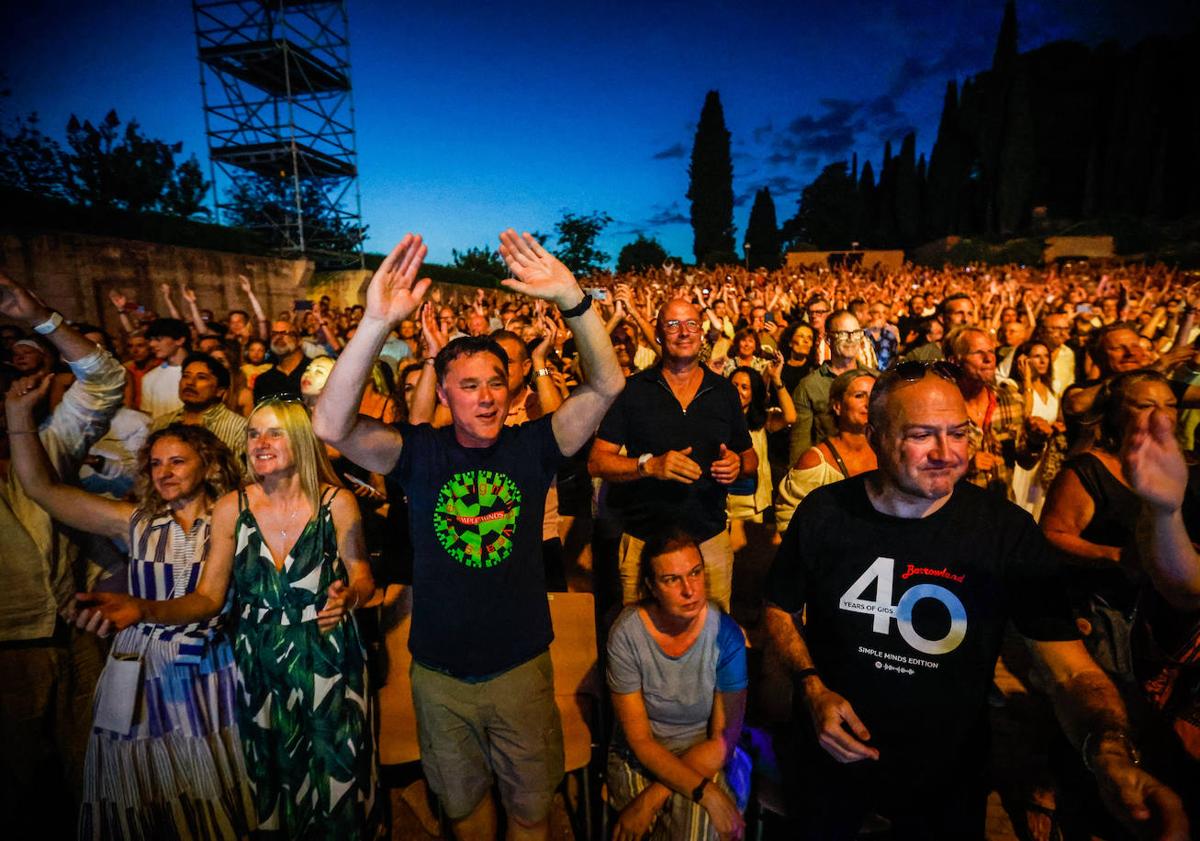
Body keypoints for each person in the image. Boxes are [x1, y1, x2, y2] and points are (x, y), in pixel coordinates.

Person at [763, 361, 1189, 839]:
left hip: (944, 786)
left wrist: (1109, 751)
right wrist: (810, 685)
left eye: (959, 433)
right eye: (922, 435)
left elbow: (1070, 669)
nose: (946, 454)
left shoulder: (1006, 533)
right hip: (828, 774)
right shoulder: (825, 512)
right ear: (876, 433)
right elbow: (779, 608)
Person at [312, 230, 624, 841]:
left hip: (521, 667)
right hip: (439, 676)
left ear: (512, 391)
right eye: (469, 385)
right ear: (445, 392)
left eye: (496, 383)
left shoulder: (534, 446)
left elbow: (607, 385)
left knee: (533, 815)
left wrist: (573, 299)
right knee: (464, 814)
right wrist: (375, 322)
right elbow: (329, 422)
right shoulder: (418, 453)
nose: (485, 396)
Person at [79, 398, 378, 839]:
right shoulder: (233, 508)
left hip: (327, 654)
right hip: (259, 657)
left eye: (273, 433)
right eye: (254, 433)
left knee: (335, 772)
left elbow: (364, 577)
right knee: (273, 774)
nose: (260, 443)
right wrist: (144, 608)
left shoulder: (337, 502)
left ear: (300, 438)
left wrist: (348, 596)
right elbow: (207, 597)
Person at [7, 394, 253, 840]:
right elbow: (41, 489)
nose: (165, 472)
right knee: (142, 781)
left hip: (208, 667)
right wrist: (18, 419)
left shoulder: (231, 522)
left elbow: (212, 599)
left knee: (208, 780)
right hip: (141, 668)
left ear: (210, 466)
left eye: (177, 461)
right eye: (157, 464)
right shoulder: (136, 523)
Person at [0, 273, 127, 839]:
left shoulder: (44, 445)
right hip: (10, 650)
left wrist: (41, 319)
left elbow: (103, 380)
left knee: (91, 770)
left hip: (75, 627)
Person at [589, 298, 755, 613]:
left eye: (692, 324)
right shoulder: (633, 390)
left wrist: (738, 464)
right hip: (644, 542)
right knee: (640, 644)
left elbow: (749, 459)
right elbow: (597, 461)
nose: (684, 332)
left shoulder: (723, 392)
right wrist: (648, 466)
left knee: (712, 642)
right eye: (673, 325)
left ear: (702, 333)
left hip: (709, 541)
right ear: (659, 334)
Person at [607, 528, 748, 841]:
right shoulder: (627, 634)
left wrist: (660, 796)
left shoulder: (725, 634)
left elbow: (724, 739)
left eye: (695, 572)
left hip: (702, 750)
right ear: (651, 587)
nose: (690, 590)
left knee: (702, 829)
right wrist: (700, 792)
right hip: (641, 753)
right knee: (638, 829)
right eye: (672, 579)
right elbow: (640, 740)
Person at [775, 368, 877, 533]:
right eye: (859, 396)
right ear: (837, 406)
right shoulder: (815, 463)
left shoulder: (888, 455)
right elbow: (789, 521)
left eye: (874, 396)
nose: (868, 403)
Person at [789, 309, 872, 464]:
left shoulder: (874, 380)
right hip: (829, 472)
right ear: (828, 339)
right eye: (843, 334)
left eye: (855, 333)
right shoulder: (809, 386)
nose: (850, 340)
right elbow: (799, 447)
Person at [150, 352, 248, 468]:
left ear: (219, 391)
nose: (190, 382)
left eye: (201, 377)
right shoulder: (161, 423)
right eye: (186, 376)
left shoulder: (238, 428)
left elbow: (245, 478)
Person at [1008, 339, 1061, 518]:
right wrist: (1027, 381)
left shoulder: (1053, 388)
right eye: (1036, 356)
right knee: (1019, 504)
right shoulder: (1013, 386)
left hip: (1044, 458)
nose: (1043, 360)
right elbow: (1025, 414)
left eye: (1046, 356)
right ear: (1023, 360)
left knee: (1037, 503)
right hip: (1024, 453)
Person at [140, 317, 190, 419]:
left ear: (180, 340)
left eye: (159, 339)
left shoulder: (201, 373)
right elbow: (148, 416)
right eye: (151, 340)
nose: (152, 344)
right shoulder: (149, 378)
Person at [253, 318, 312, 402]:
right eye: (274, 334)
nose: (278, 337)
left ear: (299, 341)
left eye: (285, 333)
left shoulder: (315, 371)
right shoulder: (264, 381)